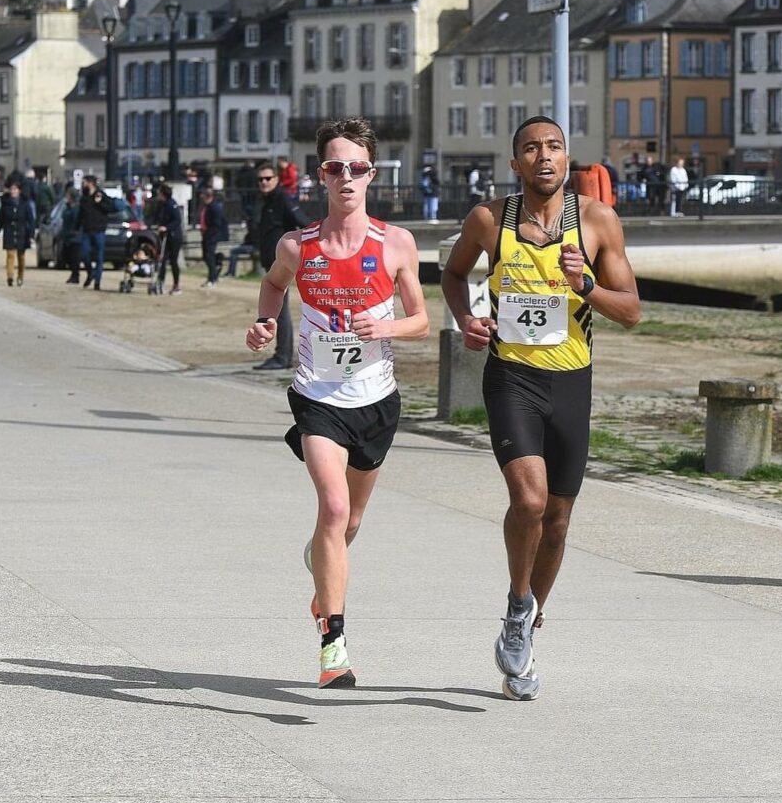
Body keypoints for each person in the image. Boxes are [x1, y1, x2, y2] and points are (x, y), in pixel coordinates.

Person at [441, 115, 641, 702]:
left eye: (553, 146)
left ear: (566, 157)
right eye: (532, 148)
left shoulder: (598, 221)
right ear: (516, 163)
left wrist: (585, 288)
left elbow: (630, 311)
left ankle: (525, 615)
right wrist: (465, 318)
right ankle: (515, 610)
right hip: (511, 378)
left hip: (572, 383)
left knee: (557, 519)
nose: (544, 157)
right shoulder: (488, 221)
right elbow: (453, 274)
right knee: (527, 500)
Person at [245, 116, 428, 688]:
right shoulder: (297, 246)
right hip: (317, 397)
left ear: (371, 174)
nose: (345, 177)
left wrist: (386, 329)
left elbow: (421, 321)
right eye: (334, 167)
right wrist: (263, 323)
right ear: (320, 176)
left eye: (356, 167)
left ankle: (324, 574)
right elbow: (273, 285)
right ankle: (333, 647)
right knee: (333, 508)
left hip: (376, 401)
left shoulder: (395, 243)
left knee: (351, 523)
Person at [252, 162, 308, 369]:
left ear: (276, 179)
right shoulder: (264, 201)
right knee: (276, 311)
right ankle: (281, 355)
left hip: (282, 265)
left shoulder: (282, 199)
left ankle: (282, 357)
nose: (264, 183)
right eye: (260, 179)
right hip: (270, 264)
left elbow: (303, 222)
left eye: (268, 178)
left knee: (279, 312)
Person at [0, 180, 35, 287]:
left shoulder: (25, 204)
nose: (13, 191)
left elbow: (31, 221)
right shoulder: (5, 204)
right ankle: (10, 276)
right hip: (9, 232)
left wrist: (31, 235)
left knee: (21, 257)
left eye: (15, 189)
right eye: (11, 189)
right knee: (10, 255)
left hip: (22, 233)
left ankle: (20, 277)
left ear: (19, 191)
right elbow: (0, 221)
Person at [78, 174, 113, 290]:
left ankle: (97, 281)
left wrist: (99, 203)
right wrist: (76, 226)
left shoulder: (100, 195)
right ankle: (90, 273)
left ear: (90, 183)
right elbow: (81, 213)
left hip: (99, 230)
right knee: (84, 254)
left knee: (99, 257)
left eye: (84, 182)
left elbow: (109, 208)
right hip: (87, 230)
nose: (82, 184)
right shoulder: (84, 197)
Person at [153, 183, 185, 295]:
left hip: (174, 236)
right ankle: (160, 282)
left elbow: (177, 221)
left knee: (173, 260)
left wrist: (166, 227)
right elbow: (156, 217)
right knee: (162, 259)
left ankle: (176, 285)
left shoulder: (172, 205)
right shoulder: (160, 205)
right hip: (164, 236)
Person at [198, 186, 229, 288]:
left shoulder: (215, 207)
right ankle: (218, 263)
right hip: (206, 234)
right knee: (206, 256)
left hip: (212, 235)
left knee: (209, 256)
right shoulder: (207, 207)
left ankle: (212, 278)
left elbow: (217, 224)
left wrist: (209, 233)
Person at [61, 188, 82, 283]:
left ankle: (75, 275)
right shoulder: (68, 207)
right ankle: (74, 274)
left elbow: (75, 219)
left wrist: (75, 231)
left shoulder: (76, 208)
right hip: (68, 236)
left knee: (74, 258)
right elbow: (63, 216)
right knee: (67, 256)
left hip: (75, 236)